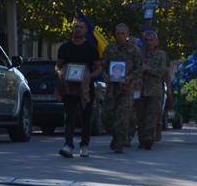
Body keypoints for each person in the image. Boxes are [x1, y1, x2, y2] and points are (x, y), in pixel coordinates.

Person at [56, 14, 102, 158]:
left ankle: (84, 145)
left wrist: (89, 76)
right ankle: (68, 145)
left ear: (86, 30)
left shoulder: (91, 48)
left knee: (86, 117)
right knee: (69, 117)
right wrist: (60, 73)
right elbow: (58, 66)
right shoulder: (65, 47)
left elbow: (98, 68)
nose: (78, 29)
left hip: (85, 88)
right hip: (69, 88)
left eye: (81, 27)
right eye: (76, 27)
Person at [101, 23, 142, 154]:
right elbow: (102, 66)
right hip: (112, 88)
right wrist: (106, 76)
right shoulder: (110, 48)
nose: (119, 36)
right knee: (106, 116)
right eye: (117, 33)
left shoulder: (134, 50)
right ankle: (115, 135)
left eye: (122, 33)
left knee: (122, 117)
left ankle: (119, 143)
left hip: (126, 88)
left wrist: (129, 78)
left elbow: (139, 69)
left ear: (127, 35)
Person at [137, 29, 168, 150]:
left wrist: (147, 69)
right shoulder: (140, 54)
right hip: (140, 89)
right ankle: (141, 139)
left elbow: (161, 72)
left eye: (151, 40)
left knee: (152, 116)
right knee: (141, 116)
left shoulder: (161, 55)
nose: (149, 42)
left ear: (156, 42)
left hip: (154, 90)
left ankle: (149, 139)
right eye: (147, 40)